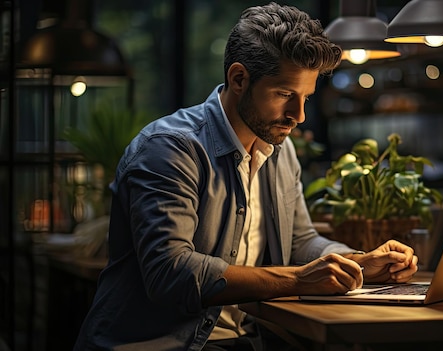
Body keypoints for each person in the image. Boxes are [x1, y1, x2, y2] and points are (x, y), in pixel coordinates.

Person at [74, 3, 418, 350]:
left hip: (245, 340)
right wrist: (298, 279)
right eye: (285, 94)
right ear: (239, 79)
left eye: (305, 98)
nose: (298, 115)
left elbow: (300, 242)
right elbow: (171, 273)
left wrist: (356, 262)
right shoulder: (170, 149)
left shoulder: (278, 149)